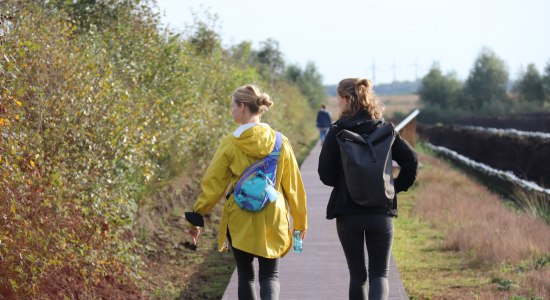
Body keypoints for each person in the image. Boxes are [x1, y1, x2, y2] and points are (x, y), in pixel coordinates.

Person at [186, 84, 308, 300]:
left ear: (243, 107)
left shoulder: (230, 144)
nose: (231, 110)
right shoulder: (280, 142)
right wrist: (299, 223)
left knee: (246, 277)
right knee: (270, 276)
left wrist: (197, 216)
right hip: (273, 216)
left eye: (232, 105)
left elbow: (213, 184)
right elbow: (294, 187)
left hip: (240, 217)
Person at [317, 78, 418, 300]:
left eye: (338, 98)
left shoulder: (337, 131)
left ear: (345, 98)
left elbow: (325, 174)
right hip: (381, 210)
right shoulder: (384, 129)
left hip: (347, 212)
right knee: (380, 274)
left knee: (357, 275)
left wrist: (347, 183)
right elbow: (411, 161)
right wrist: (394, 187)